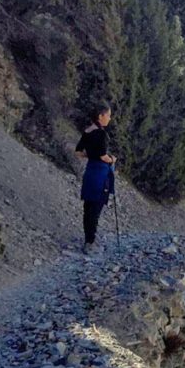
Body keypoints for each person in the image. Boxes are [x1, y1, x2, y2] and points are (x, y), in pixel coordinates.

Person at [75, 101, 117, 254]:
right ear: (101, 116)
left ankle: (88, 239)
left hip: (90, 172)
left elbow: (78, 152)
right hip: (100, 173)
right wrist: (113, 159)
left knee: (88, 207)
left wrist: (90, 155)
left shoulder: (87, 131)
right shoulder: (101, 134)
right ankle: (90, 242)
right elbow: (103, 156)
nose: (109, 119)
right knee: (96, 207)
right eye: (108, 115)